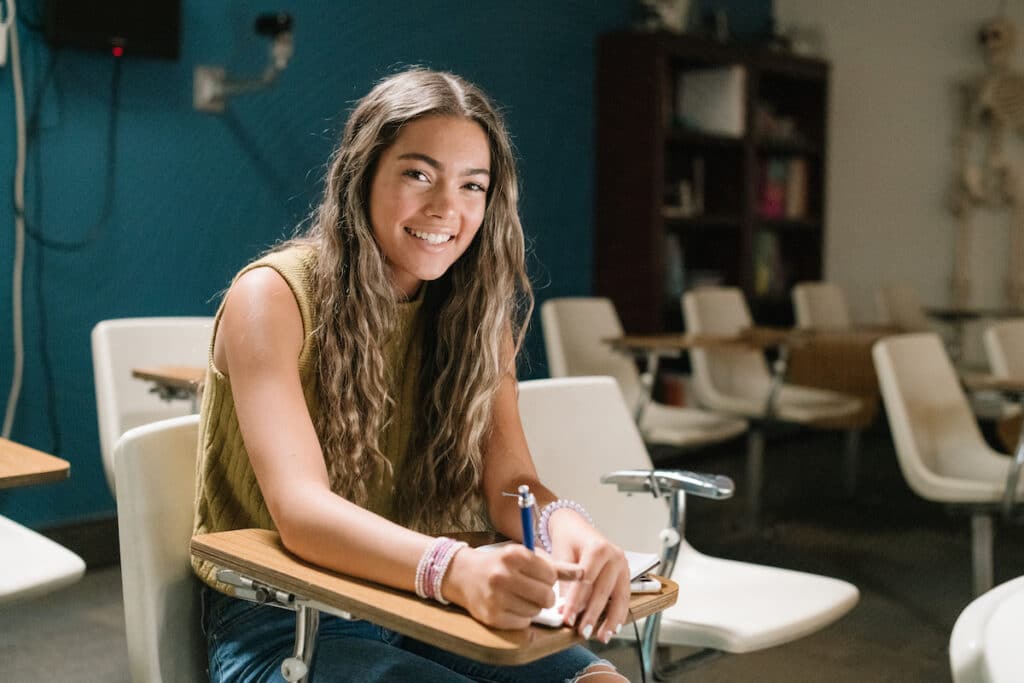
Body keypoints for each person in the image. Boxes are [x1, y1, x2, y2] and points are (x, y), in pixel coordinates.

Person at [191, 68, 632, 682]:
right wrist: (455, 570)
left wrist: (569, 529)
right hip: (285, 621)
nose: (446, 208)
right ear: (362, 174)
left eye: (472, 185)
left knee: (601, 680)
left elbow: (513, 481)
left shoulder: (479, 312)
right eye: (418, 174)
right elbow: (302, 510)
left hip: (414, 600)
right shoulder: (273, 296)